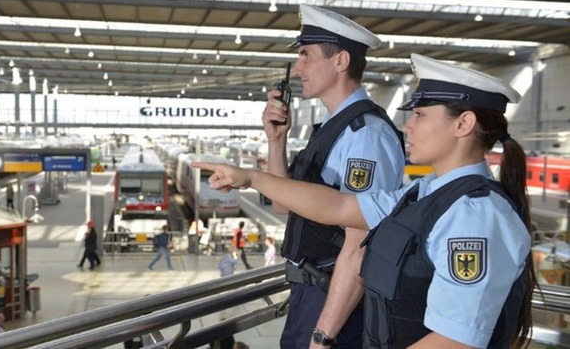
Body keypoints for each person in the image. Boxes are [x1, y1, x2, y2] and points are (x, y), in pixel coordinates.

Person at [194, 53, 537, 348]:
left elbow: (455, 340)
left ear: (463, 123)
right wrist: (251, 178)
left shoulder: (476, 214)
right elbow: (338, 207)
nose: (406, 127)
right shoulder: (422, 193)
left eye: (420, 115)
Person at [262, 4, 405, 348]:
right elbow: (284, 205)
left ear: (340, 61)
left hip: (335, 303)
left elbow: (359, 245)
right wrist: (276, 141)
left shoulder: (365, 135)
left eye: (305, 56)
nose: (297, 69)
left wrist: (323, 336)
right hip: (310, 292)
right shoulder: (333, 129)